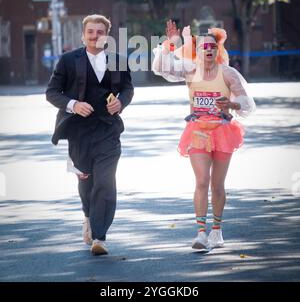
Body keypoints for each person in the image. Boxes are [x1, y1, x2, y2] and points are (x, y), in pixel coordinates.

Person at [152, 20, 255, 251]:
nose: (208, 50)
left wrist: (232, 103)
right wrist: (170, 43)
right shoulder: (190, 70)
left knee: (217, 185)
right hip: (197, 130)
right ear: (196, 51)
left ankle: (217, 231)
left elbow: (247, 103)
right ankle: (200, 233)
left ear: (218, 51)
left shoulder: (228, 73)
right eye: (203, 47)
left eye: (212, 47)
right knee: (201, 181)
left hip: (223, 131)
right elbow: (161, 69)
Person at [46, 14, 134, 255]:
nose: (95, 36)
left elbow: (127, 88)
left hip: (108, 130)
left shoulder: (117, 60)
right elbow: (52, 92)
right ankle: (87, 215)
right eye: (91, 32)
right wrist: (74, 104)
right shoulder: (67, 60)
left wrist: (121, 102)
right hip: (78, 132)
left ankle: (99, 237)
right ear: (83, 35)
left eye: (100, 32)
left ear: (107, 34)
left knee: (105, 182)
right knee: (85, 181)